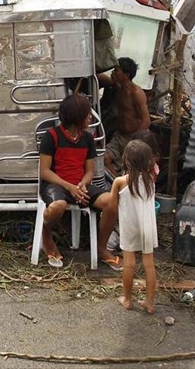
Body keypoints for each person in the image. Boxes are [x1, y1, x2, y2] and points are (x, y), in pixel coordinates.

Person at [38, 94, 122, 269]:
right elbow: (44, 171)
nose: (90, 117)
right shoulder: (51, 136)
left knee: (112, 201)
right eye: (87, 113)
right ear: (76, 116)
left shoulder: (87, 139)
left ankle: (101, 247)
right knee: (57, 206)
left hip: (79, 185)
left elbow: (90, 170)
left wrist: (82, 184)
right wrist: (69, 187)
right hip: (57, 185)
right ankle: (46, 234)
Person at [110, 139, 159, 314]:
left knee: (129, 264)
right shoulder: (151, 181)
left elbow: (111, 204)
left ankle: (127, 299)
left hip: (129, 228)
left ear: (126, 161)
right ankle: (150, 302)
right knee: (149, 265)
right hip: (148, 228)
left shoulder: (120, 182)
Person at [97, 57, 151, 179]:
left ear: (126, 75)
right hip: (120, 136)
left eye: (116, 70)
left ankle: (126, 183)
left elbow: (146, 120)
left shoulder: (136, 93)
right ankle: (119, 182)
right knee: (104, 159)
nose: (112, 73)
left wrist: (135, 140)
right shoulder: (118, 87)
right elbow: (98, 76)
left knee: (132, 166)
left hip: (134, 136)